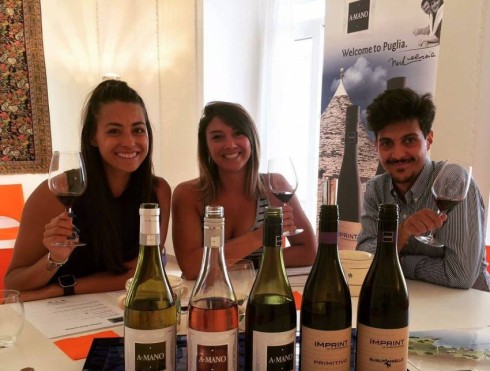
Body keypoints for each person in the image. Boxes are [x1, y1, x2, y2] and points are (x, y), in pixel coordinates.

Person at [5, 79, 171, 301]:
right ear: (93, 137)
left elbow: (141, 272)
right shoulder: (57, 191)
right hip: (57, 311)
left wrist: (58, 289)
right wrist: (54, 258)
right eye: (114, 131)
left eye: (138, 130)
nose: (129, 142)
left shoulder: (158, 191)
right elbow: (14, 282)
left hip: (121, 306)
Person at [357, 87, 490, 292]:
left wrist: (398, 260)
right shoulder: (376, 189)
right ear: (376, 146)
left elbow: (460, 276)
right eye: (387, 143)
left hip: (471, 307)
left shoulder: (453, 182)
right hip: (410, 301)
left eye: (409, 140)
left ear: (428, 140)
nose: (398, 154)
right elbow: (364, 260)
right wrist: (401, 234)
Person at [171, 101, 316, 280]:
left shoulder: (275, 185)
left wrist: (247, 266)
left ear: (251, 139)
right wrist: (261, 236)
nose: (230, 144)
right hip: (208, 294)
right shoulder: (188, 194)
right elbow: (192, 268)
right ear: (206, 146)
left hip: (259, 290)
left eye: (238, 133)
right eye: (217, 137)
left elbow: (309, 251)